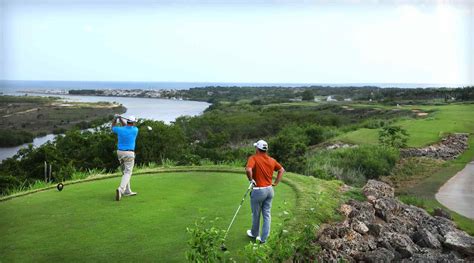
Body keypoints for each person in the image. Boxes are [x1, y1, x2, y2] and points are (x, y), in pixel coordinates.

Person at [245, 139, 285, 243]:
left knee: (256, 214)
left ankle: (254, 233)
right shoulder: (272, 160)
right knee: (267, 214)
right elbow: (281, 170)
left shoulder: (253, 158)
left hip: (258, 191)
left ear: (257, 149)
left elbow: (248, 169)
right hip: (269, 190)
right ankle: (264, 239)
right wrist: (275, 183)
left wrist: (251, 180)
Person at [112, 114, 139, 201]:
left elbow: (113, 127)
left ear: (127, 121)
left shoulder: (120, 130)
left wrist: (116, 119)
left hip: (120, 153)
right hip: (129, 153)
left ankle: (128, 191)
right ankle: (121, 189)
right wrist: (119, 119)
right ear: (133, 123)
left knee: (125, 172)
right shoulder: (135, 130)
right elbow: (127, 126)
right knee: (128, 172)